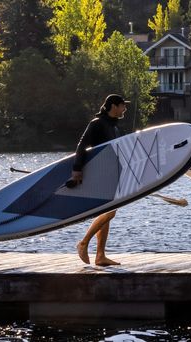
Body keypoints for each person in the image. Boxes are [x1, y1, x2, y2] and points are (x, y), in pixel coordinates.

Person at [70, 94, 129, 266]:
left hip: (111, 172)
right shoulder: (97, 123)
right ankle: (83, 243)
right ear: (113, 106)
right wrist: (77, 169)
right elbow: (82, 145)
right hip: (99, 172)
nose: (125, 109)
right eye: (123, 106)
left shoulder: (114, 126)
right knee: (110, 211)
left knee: (108, 213)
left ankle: (100, 256)